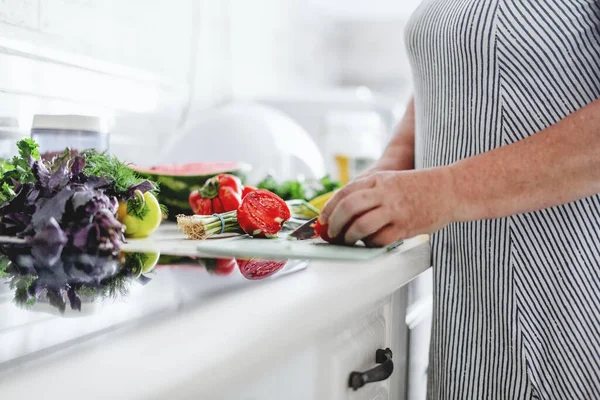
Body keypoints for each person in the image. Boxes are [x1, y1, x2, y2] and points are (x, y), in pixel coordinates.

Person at [319, 1, 600, 399]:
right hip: (472, 320)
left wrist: (446, 190)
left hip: (573, 318)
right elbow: (454, 64)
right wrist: (393, 163)